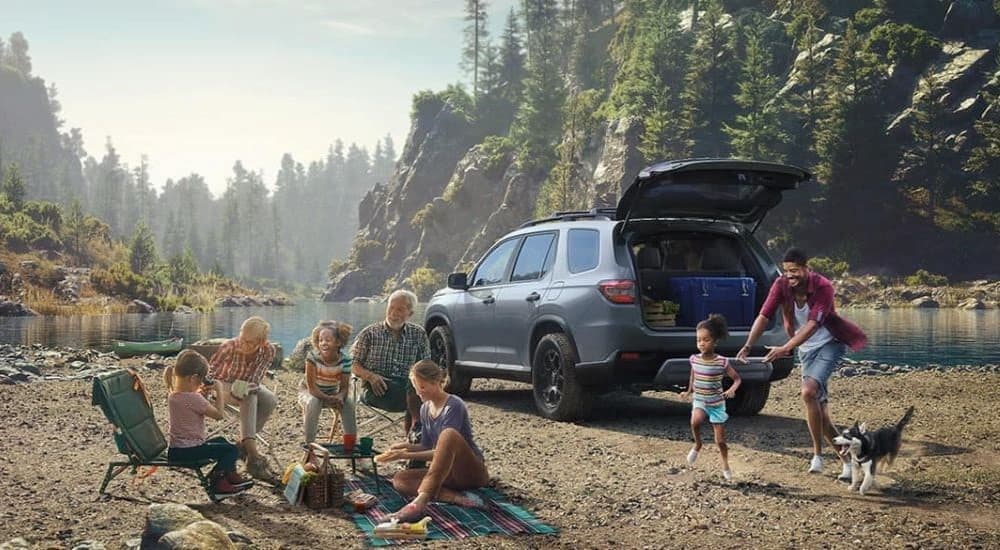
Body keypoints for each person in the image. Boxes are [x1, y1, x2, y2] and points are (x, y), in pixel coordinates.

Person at [736, 247, 867, 479]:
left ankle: (817, 456)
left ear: (807, 268)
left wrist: (786, 348)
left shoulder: (823, 287)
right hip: (805, 349)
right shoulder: (781, 285)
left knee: (808, 393)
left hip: (829, 343)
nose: (790, 276)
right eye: (786, 271)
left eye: (794, 271)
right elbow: (764, 316)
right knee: (821, 414)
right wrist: (748, 345)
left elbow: (813, 325)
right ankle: (848, 460)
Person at [377, 360, 489, 521]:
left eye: (423, 387)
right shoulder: (425, 408)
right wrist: (402, 447)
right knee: (400, 479)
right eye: (416, 387)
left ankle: (419, 504)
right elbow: (426, 445)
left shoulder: (454, 405)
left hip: (470, 471)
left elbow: (441, 451)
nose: (419, 392)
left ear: (436, 383)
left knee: (448, 434)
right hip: (447, 474)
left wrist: (405, 455)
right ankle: (456, 497)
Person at [164, 350, 253, 499]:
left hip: (177, 449)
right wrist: (218, 391)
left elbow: (193, 408)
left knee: (221, 441)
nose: (202, 382)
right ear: (193, 378)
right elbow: (218, 415)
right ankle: (218, 484)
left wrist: (202, 394)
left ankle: (230, 476)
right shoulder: (193, 398)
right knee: (231, 450)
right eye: (201, 379)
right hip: (188, 451)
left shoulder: (174, 394)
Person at [350, 289, 430, 438]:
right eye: (391, 308)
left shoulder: (419, 334)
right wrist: (371, 377)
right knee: (415, 392)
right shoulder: (369, 333)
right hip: (377, 389)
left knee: (415, 384)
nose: (394, 313)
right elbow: (353, 364)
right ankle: (417, 430)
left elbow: (425, 366)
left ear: (410, 313)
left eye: (400, 309)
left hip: (409, 390)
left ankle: (414, 440)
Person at [208, 316, 279, 481]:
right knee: (249, 396)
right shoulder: (230, 346)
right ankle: (253, 457)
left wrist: (248, 387)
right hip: (222, 386)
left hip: (245, 387)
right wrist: (226, 390)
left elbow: (256, 377)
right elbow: (210, 376)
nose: (244, 345)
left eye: (250, 342)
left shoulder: (268, 350)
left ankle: (243, 445)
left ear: (261, 342)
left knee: (270, 399)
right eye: (243, 339)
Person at [682, 314, 741, 481]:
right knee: (695, 421)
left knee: (720, 440)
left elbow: (737, 378)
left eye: (706, 340)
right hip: (700, 399)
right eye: (699, 340)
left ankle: (725, 464)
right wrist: (688, 391)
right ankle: (698, 444)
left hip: (716, 404)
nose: (701, 343)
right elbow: (693, 376)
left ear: (715, 341)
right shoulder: (694, 359)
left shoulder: (722, 361)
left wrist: (732, 389)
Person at [298, 320, 357, 449]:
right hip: (310, 391)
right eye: (321, 340)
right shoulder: (312, 357)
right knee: (314, 402)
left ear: (338, 342)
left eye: (328, 340)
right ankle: (310, 446)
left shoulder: (345, 360)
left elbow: (345, 387)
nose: (323, 343)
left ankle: (351, 447)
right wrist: (327, 398)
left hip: (332, 391)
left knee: (349, 403)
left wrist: (340, 396)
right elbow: (312, 388)